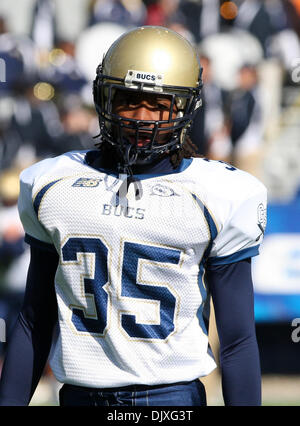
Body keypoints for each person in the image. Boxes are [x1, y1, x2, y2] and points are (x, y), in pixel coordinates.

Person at [0, 26, 267, 406]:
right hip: (79, 395)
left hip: (171, 401)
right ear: (104, 98)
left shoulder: (218, 194)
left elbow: (238, 338)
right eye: (128, 100)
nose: (142, 117)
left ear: (184, 107)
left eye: (159, 103)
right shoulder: (52, 183)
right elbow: (33, 320)